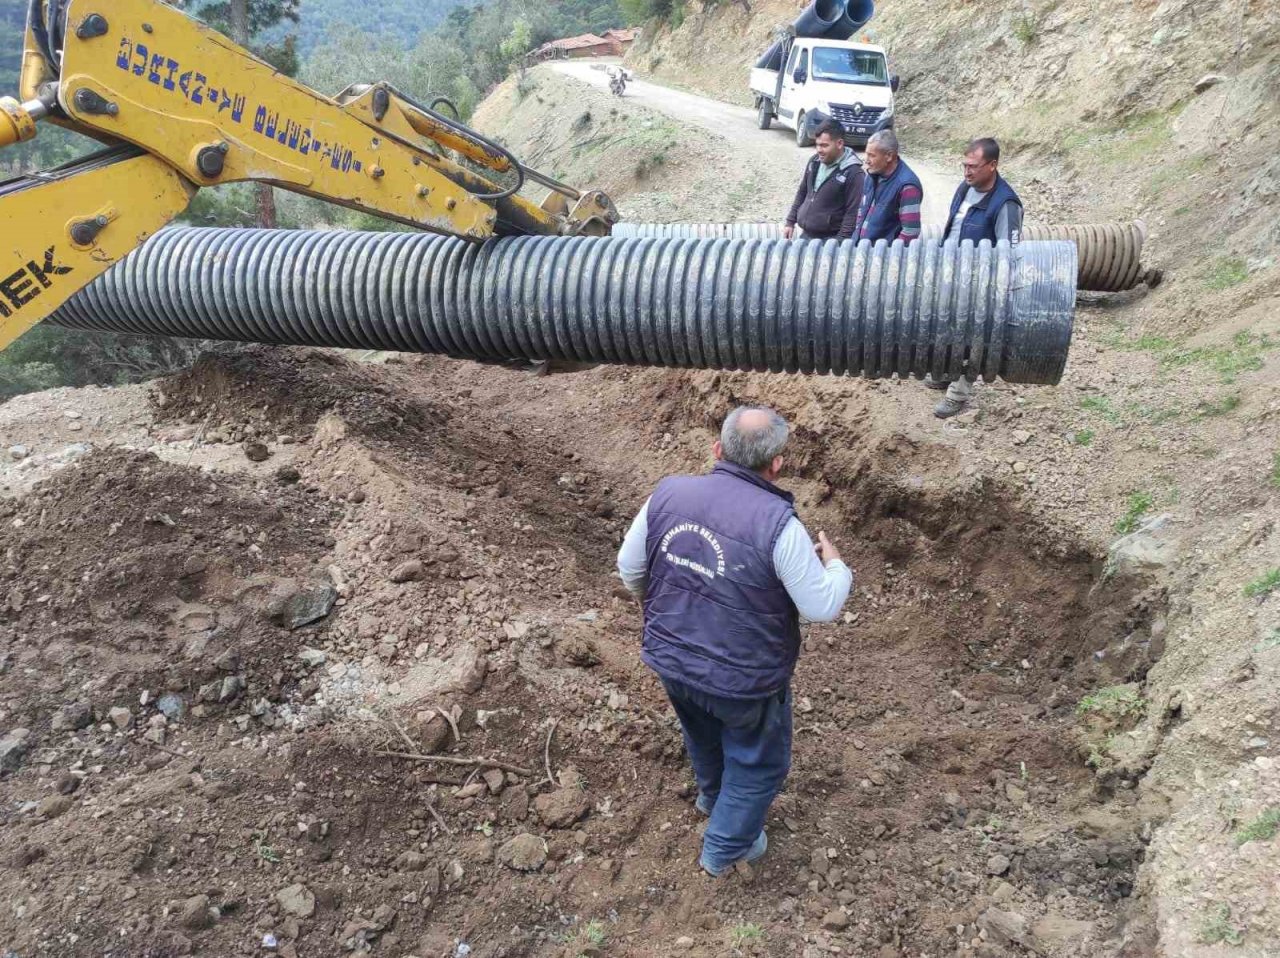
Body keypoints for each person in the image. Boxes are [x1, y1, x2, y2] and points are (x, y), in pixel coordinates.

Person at [616, 406, 853, 877]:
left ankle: (711, 799)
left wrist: (672, 609)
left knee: (701, 731)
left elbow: (629, 570)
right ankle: (724, 850)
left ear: (717, 449)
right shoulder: (780, 527)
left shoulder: (667, 494)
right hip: (743, 680)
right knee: (758, 764)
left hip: (671, 658)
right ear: (777, 463)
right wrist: (836, 566)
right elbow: (822, 607)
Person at [929, 137, 1024, 419]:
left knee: (974, 341)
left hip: (982, 286)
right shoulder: (964, 188)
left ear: (992, 165)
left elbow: (1010, 254)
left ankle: (958, 394)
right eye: (964, 165)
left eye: (973, 166)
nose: (967, 172)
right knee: (947, 329)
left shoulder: (1006, 204)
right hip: (953, 276)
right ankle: (946, 371)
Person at [783, 119, 865, 241]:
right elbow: (802, 192)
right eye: (817, 144)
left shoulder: (854, 173)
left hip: (829, 241)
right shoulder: (814, 162)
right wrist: (790, 222)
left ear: (839, 143)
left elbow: (852, 214)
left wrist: (838, 245)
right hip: (806, 236)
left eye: (824, 145)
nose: (819, 150)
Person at [855, 129, 924, 245]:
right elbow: (861, 211)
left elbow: (911, 232)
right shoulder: (871, 175)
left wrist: (889, 256)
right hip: (861, 250)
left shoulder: (907, 186)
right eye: (866, 154)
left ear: (889, 156)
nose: (866, 160)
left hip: (881, 257)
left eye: (872, 155)